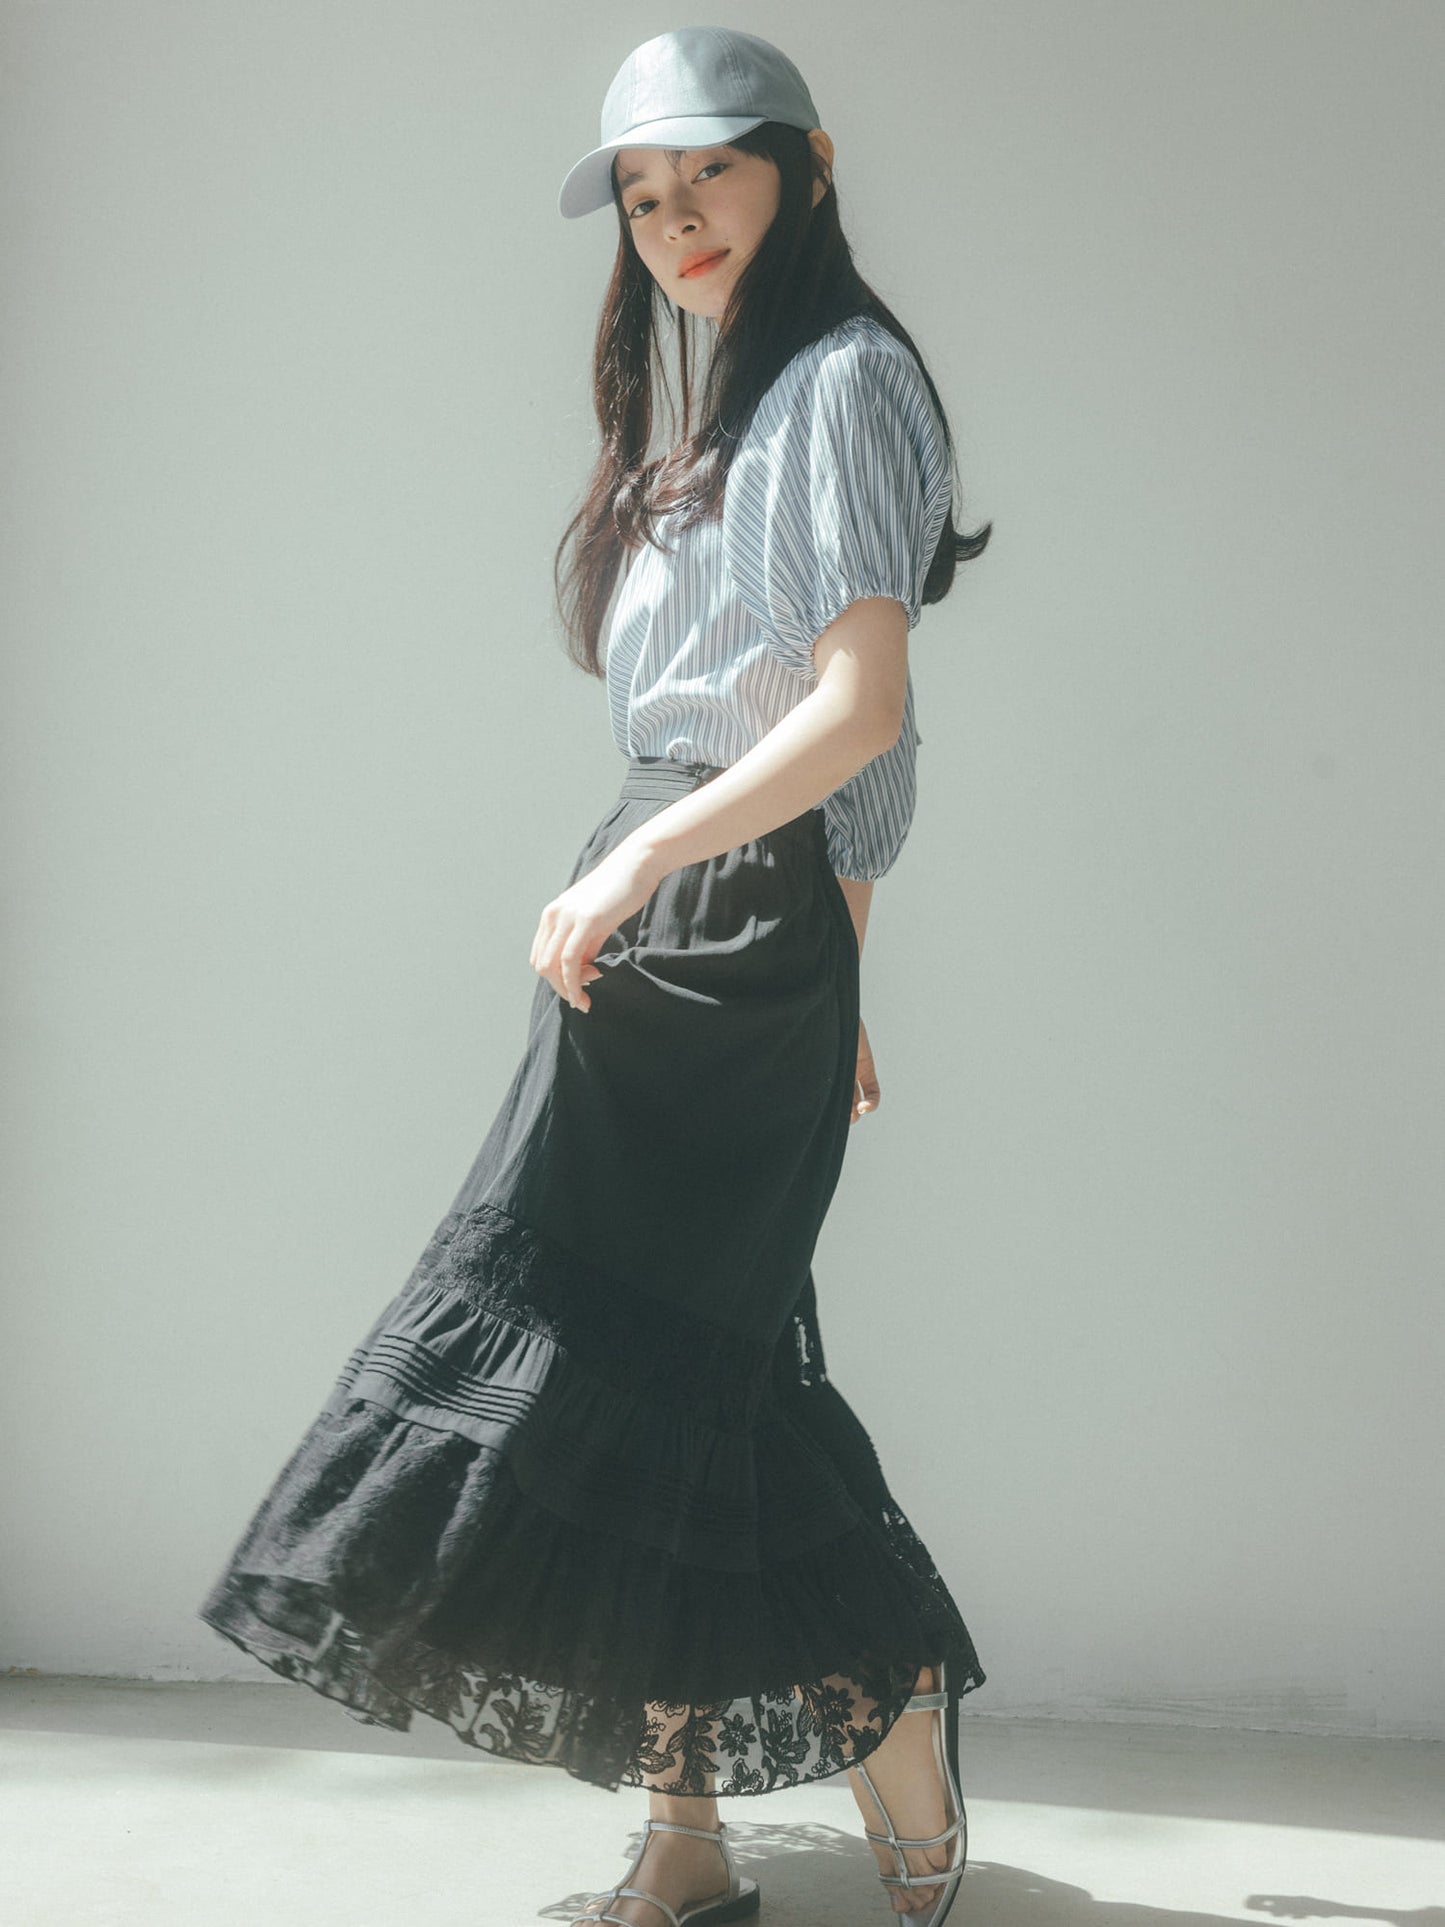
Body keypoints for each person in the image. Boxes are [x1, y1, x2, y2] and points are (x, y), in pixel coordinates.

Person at [198, 25, 991, 1927]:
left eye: (708, 171)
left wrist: (694, 892)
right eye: (640, 195)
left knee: (651, 1370)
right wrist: (724, 913)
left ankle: (873, 1700)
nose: (674, 218)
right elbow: (795, 745)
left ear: (804, 166)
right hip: (674, 912)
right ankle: (689, 1829)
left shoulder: (846, 378)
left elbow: (860, 719)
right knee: (660, 1379)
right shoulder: (723, 416)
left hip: (712, 911)